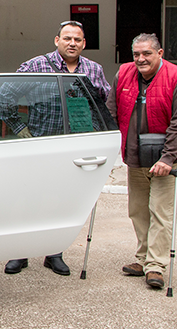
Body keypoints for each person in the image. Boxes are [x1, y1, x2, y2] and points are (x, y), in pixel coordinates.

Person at [3, 20, 111, 276]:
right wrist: (20, 128)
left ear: (84, 43)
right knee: (29, 200)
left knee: (61, 203)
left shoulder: (93, 70)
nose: (72, 43)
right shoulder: (36, 65)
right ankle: (20, 253)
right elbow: (6, 95)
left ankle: (54, 254)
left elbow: (103, 103)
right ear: (57, 40)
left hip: (74, 147)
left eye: (77, 39)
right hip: (41, 144)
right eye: (67, 38)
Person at [106, 33, 177, 288]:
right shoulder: (124, 73)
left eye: (146, 53)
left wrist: (168, 157)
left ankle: (156, 266)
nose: (140, 59)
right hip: (135, 155)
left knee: (160, 211)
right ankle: (144, 258)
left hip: (165, 160)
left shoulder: (174, 76)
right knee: (138, 211)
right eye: (136, 54)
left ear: (159, 54)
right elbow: (111, 110)